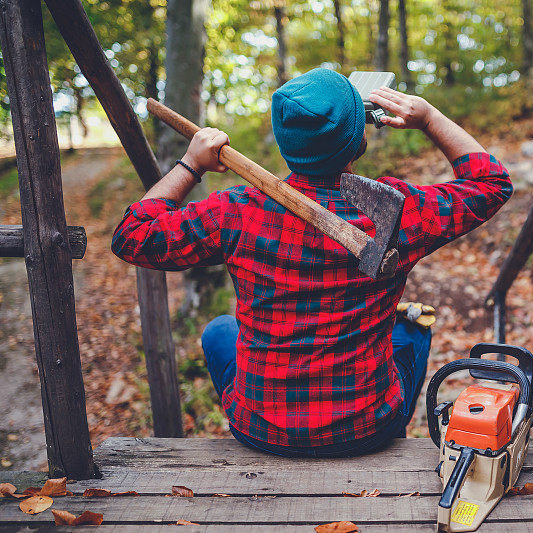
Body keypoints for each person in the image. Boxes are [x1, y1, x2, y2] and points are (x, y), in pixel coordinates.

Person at [112, 68, 511, 457]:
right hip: (365, 430)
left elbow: (133, 235)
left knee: (219, 331)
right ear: (358, 144)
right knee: (412, 328)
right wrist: (429, 118)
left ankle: (264, 414)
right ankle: (394, 432)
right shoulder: (398, 209)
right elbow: (491, 183)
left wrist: (191, 163)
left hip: (260, 431)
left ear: (286, 144)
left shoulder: (235, 212)